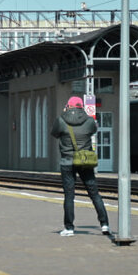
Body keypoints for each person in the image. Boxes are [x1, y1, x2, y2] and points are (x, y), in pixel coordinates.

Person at [51, 96, 110, 237]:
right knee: (94, 194)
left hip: (67, 162)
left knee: (69, 196)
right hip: (85, 161)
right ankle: (104, 225)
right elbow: (93, 131)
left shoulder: (61, 120)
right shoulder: (89, 121)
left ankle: (69, 228)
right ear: (81, 106)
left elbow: (55, 134)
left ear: (68, 106)